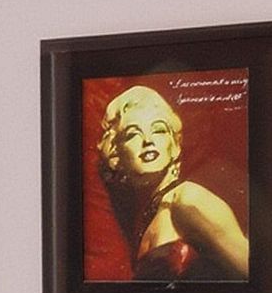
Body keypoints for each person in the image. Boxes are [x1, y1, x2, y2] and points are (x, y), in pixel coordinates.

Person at [95, 83, 249, 281]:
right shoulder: (145, 218)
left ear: (175, 146)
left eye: (159, 130)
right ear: (116, 157)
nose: (148, 140)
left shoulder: (188, 199)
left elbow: (259, 276)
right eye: (133, 134)